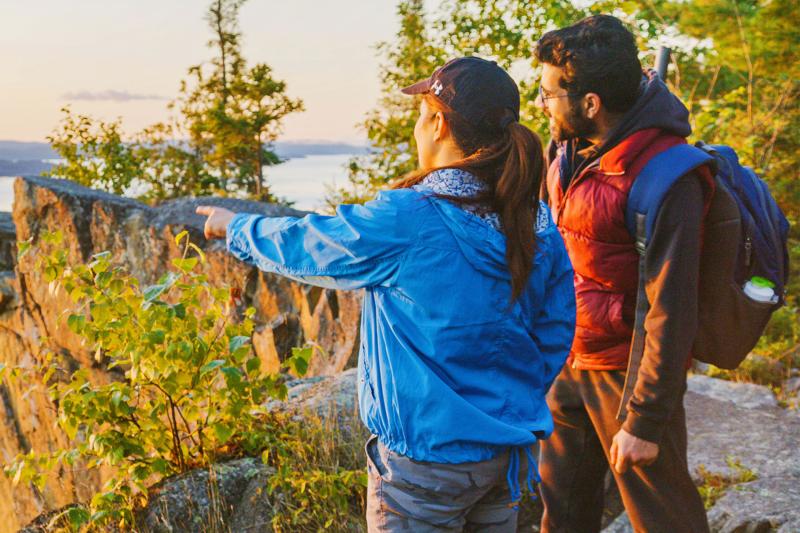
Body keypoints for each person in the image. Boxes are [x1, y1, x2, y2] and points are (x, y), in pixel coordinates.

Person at [197, 56, 575, 532]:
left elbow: (310, 246)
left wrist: (235, 226)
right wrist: (509, 397)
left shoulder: (410, 218)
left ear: (438, 123)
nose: (417, 128)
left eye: (421, 115)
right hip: (507, 455)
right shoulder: (535, 221)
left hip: (423, 467)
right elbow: (556, 331)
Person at [533, 15, 712, 532]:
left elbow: (672, 309)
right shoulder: (566, 151)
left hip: (625, 373)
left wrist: (646, 420)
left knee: (664, 520)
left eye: (549, 94)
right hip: (569, 362)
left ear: (590, 103)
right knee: (562, 517)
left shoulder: (670, 176)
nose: (542, 103)